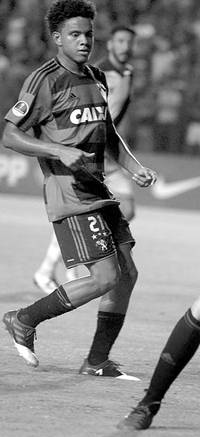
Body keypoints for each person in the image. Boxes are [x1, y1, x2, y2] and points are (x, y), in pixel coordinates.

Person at [2, 0, 157, 379]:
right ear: (57, 38)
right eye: (75, 34)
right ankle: (23, 319)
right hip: (68, 194)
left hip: (99, 188)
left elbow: (109, 133)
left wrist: (133, 168)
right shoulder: (44, 80)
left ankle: (97, 361)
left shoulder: (97, 78)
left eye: (88, 33)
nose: (84, 41)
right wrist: (56, 149)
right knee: (105, 277)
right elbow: (10, 133)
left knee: (127, 275)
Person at [32, 23, 138, 290]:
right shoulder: (100, 75)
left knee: (124, 210)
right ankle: (53, 269)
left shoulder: (126, 72)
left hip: (108, 156)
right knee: (91, 212)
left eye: (130, 42)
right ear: (111, 44)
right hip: (92, 155)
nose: (126, 47)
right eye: (121, 41)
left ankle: (71, 265)